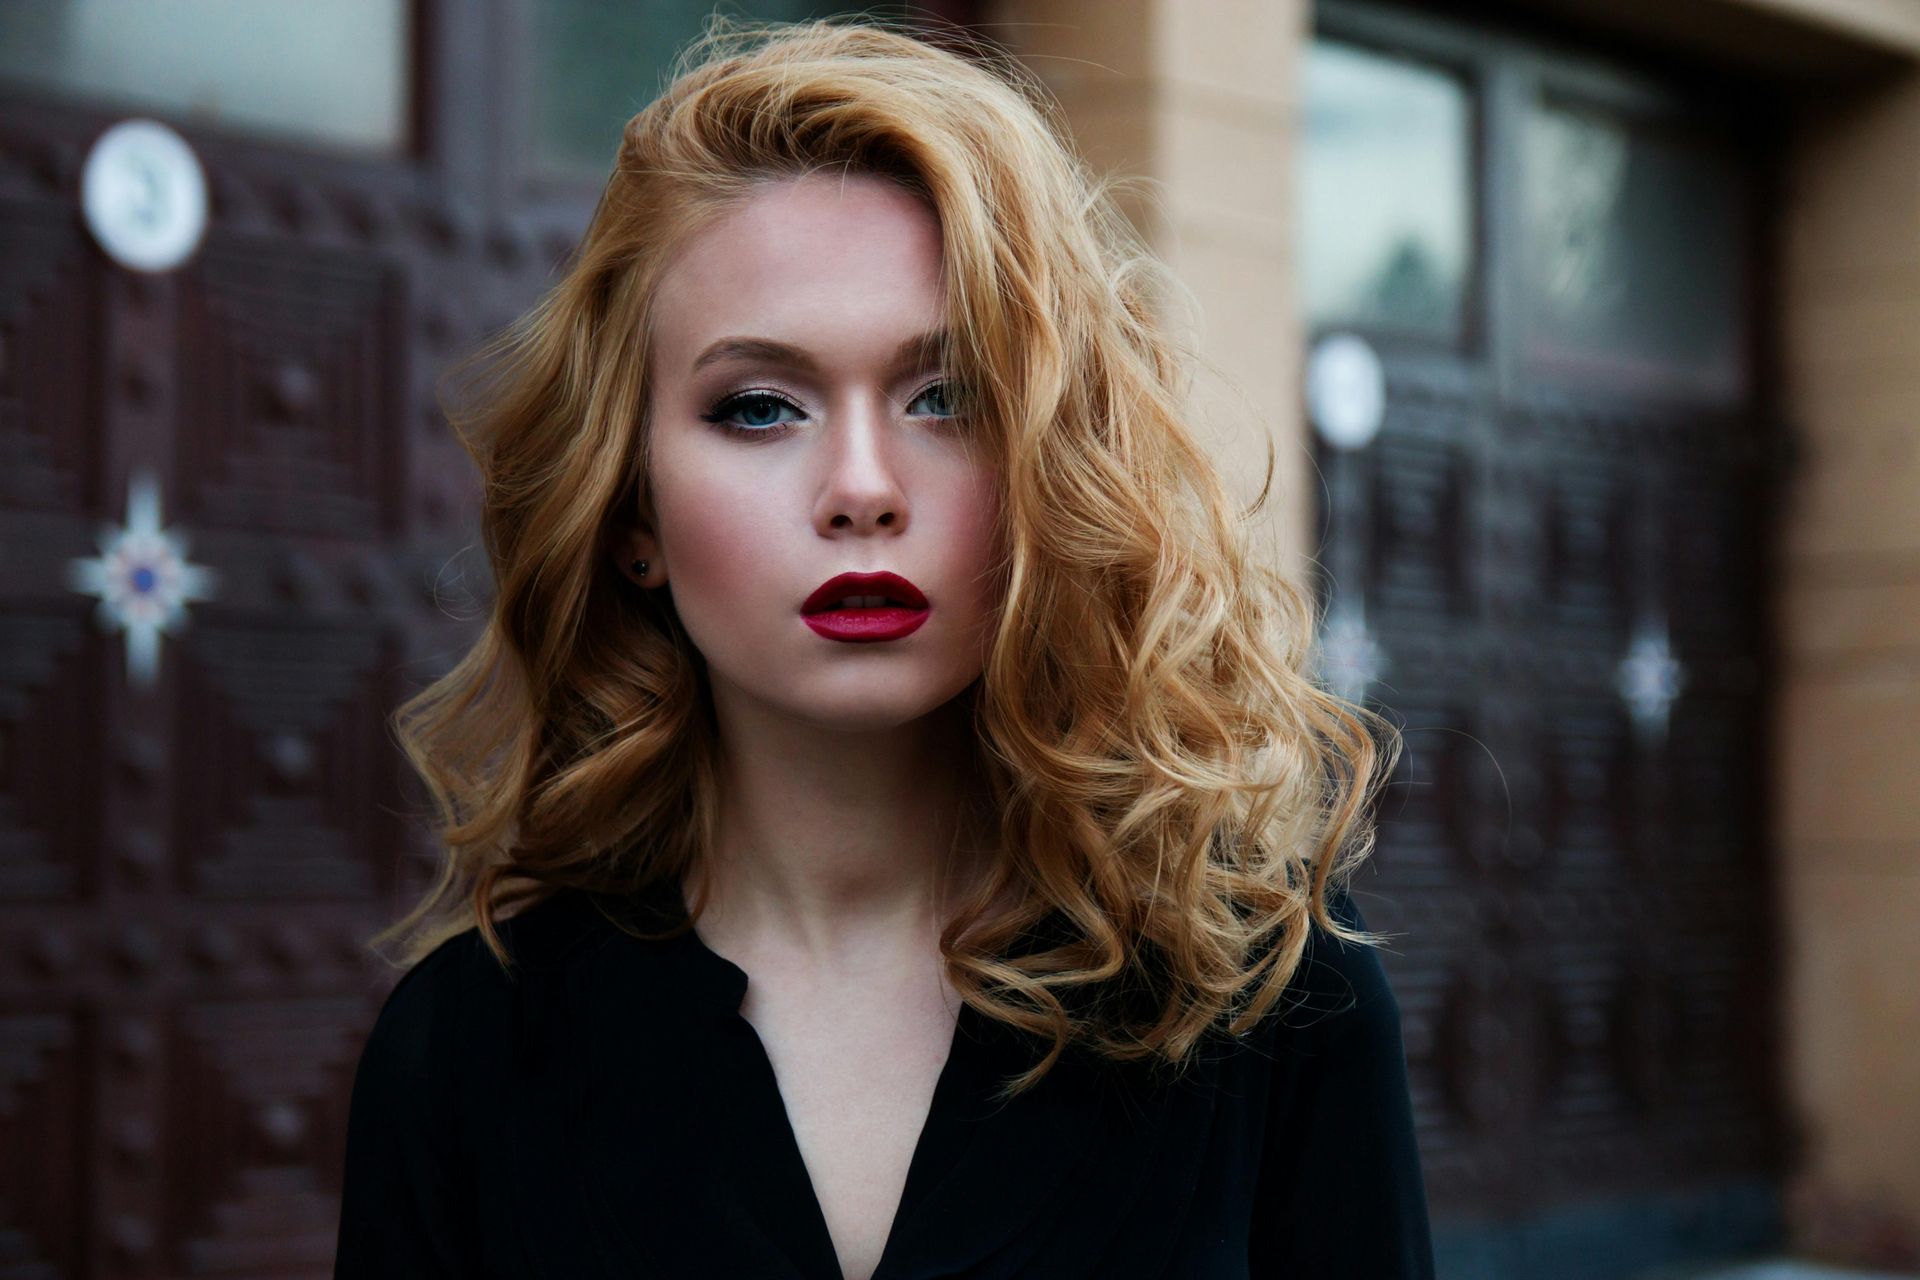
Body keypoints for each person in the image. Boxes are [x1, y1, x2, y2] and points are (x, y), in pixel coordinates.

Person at [333, 15, 1434, 1279]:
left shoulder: (1264, 983)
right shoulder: (464, 1047)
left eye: (946, 396)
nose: (862, 488)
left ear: (1047, 466)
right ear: (633, 507)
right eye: (760, 406)